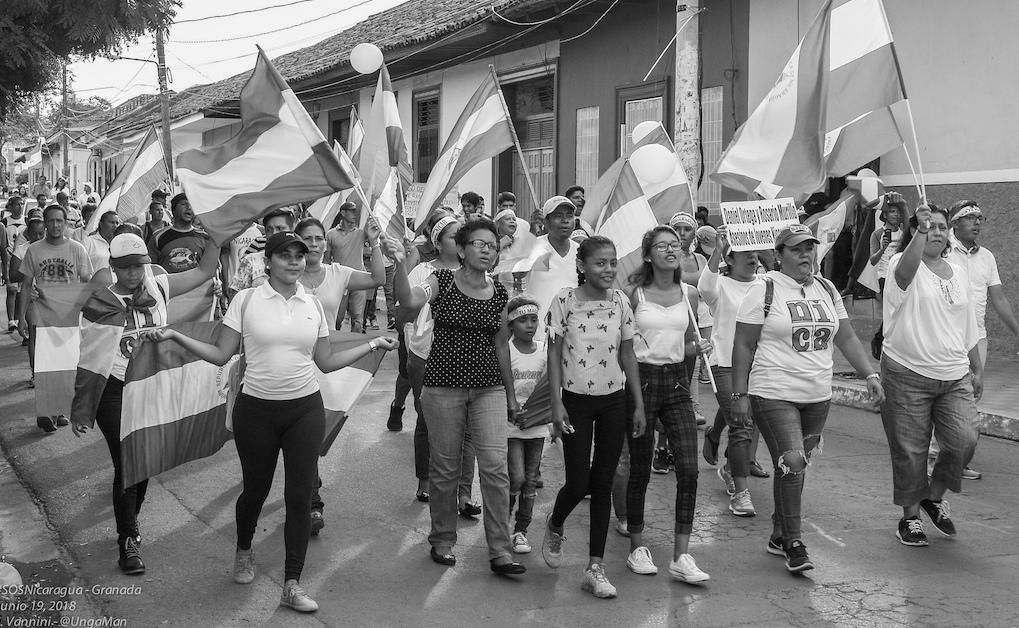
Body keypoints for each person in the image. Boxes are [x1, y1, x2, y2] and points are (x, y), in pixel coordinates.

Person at [140, 231, 397, 613]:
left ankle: (292, 582)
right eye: (285, 255)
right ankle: (244, 550)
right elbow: (221, 353)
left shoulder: (310, 302)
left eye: (300, 254)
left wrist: (373, 343)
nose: (295, 261)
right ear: (270, 261)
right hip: (256, 411)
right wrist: (175, 335)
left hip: (304, 410)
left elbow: (324, 360)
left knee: (299, 494)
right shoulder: (247, 300)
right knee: (255, 492)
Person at [731, 223, 883, 573]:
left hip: (817, 395)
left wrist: (870, 375)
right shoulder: (764, 290)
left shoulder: (827, 289)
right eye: (797, 249)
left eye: (810, 248)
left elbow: (844, 338)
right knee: (792, 461)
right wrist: (740, 394)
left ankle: (778, 533)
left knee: (795, 469)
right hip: (773, 392)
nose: (806, 255)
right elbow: (743, 344)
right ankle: (794, 542)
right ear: (778, 255)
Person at [69, 233, 218, 575]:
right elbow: (89, 357)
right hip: (114, 390)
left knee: (144, 460)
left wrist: (215, 235)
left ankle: (129, 520)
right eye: (125, 267)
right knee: (128, 460)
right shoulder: (98, 303)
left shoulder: (159, 285)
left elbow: (206, 270)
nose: (134, 274)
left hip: (151, 387)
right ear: (112, 267)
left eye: (138, 265)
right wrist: (82, 408)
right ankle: (128, 539)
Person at [389, 216, 525, 576]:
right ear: (461, 249)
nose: (487, 250)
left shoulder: (499, 292)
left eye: (493, 246)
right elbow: (408, 299)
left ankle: (500, 549)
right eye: (479, 244)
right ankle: (442, 539)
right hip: (442, 387)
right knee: (446, 468)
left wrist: (511, 397)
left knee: (495, 468)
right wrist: (401, 263)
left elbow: (501, 346)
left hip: (489, 389)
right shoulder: (442, 280)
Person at [541, 235, 644, 599]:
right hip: (575, 401)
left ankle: (594, 567)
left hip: (613, 400)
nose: (609, 269)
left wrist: (638, 404)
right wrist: (556, 404)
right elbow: (553, 357)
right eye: (601, 263)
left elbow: (628, 354)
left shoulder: (620, 301)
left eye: (613, 262)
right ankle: (555, 524)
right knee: (579, 481)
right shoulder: (564, 301)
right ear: (582, 266)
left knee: (603, 482)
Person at [880, 203, 981, 548]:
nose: (936, 231)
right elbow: (904, 276)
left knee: (964, 440)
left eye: (941, 226)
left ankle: (932, 496)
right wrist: (919, 234)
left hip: (954, 375)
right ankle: (909, 518)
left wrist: (976, 365)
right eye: (928, 226)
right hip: (906, 372)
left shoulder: (958, 271)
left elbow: (968, 325)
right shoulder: (901, 264)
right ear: (915, 231)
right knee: (910, 450)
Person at [622, 226, 712, 584]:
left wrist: (698, 348)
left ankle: (681, 555)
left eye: (675, 245)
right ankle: (637, 547)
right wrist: (636, 400)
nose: (671, 250)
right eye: (662, 246)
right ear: (648, 255)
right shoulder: (633, 294)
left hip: (676, 382)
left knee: (688, 469)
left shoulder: (688, 295)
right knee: (640, 468)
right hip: (641, 382)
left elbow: (686, 344)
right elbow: (625, 349)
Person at [934, 199, 1019, 479]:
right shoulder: (942, 253)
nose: (977, 222)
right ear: (954, 223)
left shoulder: (987, 257)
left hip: (977, 339)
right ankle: (934, 459)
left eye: (980, 218)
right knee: (942, 397)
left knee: (968, 401)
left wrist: (1017, 331)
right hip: (946, 336)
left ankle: (959, 458)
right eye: (970, 217)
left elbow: (999, 298)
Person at [397, 212, 477, 506]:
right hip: (425, 358)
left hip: (466, 359)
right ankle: (425, 481)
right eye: (454, 236)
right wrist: (412, 344)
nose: (462, 241)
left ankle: (465, 492)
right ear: (439, 243)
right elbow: (403, 311)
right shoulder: (422, 273)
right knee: (427, 420)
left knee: (467, 426)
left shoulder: (478, 273)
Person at [698, 226, 761, 517]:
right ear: (730, 259)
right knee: (742, 423)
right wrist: (716, 252)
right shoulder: (720, 285)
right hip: (725, 362)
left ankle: (717, 439)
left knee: (742, 413)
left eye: (755, 252)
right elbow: (704, 288)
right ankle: (740, 491)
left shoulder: (765, 284)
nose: (753, 258)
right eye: (745, 253)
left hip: (759, 364)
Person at [17, 205, 94, 432]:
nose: (55, 225)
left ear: (66, 223)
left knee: (66, 365)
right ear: (45, 223)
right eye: (50, 221)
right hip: (42, 314)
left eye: (59, 221)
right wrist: (20, 317)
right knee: (44, 364)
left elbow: (87, 282)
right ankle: (45, 412)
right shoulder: (34, 250)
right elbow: (25, 285)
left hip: (69, 318)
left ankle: (58, 410)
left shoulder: (77, 249)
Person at [505, 294, 548, 555]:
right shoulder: (505, 351)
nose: (530, 325)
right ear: (510, 325)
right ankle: (502, 524)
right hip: (510, 428)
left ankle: (521, 530)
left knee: (530, 481)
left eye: (534, 320)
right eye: (522, 321)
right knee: (516, 478)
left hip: (537, 428)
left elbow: (549, 388)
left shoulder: (545, 350)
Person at [527, 196, 580, 336]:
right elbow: (518, 274)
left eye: (570, 216)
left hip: (573, 336)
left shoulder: (582, 252)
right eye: (558, 216)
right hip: (538, 336)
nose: (565, 221)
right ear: (546, 222)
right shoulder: (536, 247)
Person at [868, 193, 907, 360]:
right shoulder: (877, 234)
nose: (895, 214)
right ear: (884, 215)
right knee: (892, 310)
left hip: (902, 276)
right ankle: (880, 340)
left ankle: (886, 340)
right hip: (885, 277)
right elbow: (872, 260)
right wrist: (882, 249)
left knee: (900, 310)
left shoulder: (905, 233)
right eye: (892, 211)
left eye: (898, 211)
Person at [228, 208, 297, 298]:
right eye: (269, 230)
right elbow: (235, 300)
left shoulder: (300, 262)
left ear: (291, 229)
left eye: (280, 228)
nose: (274, 233)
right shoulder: (251, 261)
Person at [325, 201, 372, 332]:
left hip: (358, 280)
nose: (354, 214)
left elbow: (375, 236)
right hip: (339, 281)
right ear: (343, 213)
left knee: (357, 320)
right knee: (336, 319)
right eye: (351, 211)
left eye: (355, 211)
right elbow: (327, 260)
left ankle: (354, 347)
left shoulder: (361, 233)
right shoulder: (331, 234)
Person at [148, 194, 210, 274]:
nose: (189, 208)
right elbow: (151, 268)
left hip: (197, 286)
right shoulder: (158, 237)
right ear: (173, 210)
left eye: (192, 205)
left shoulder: (205, 238)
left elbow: (210, 269)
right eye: (184, 204)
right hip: (168, 285)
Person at [3, 196, 27, 331]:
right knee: (11, 290)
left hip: (24, 258)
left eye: (21, 204)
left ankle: (19, 318)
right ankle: (11, 319)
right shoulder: (5, 222)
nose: (19, 207)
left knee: (21, 291)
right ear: (10, 207)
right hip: (10, 257)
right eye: (16, 204)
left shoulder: (26, 221)